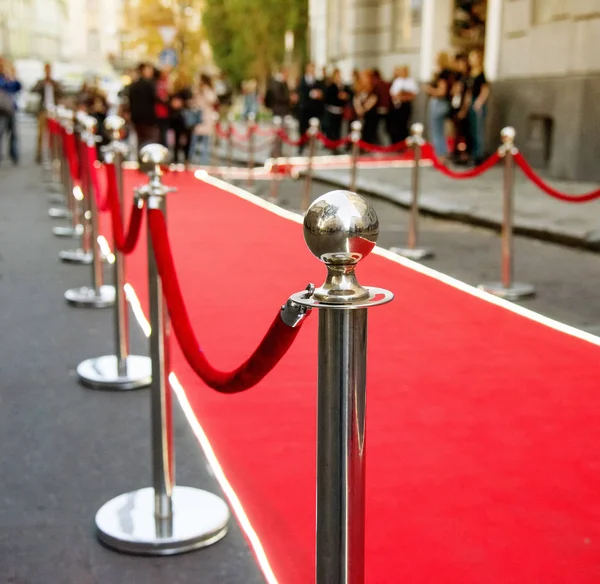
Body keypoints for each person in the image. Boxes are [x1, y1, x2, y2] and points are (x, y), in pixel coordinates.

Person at [424, 51, 453, 161]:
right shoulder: (451, 74)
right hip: (445, 103)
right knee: (440, 131)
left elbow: (441, 91)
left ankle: (441, 156)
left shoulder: (443, 74)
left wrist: (429, 89)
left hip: (439, 103)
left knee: (437, 131)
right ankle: (442, 154)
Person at [31, 63, 63, 164]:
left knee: (54, 133)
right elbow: (33, 90)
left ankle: (54, 153)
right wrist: (43, 83)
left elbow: (61, 93)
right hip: (43, 110)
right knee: (41, 133)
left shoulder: (54, 83)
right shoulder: (41, 82)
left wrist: (54, 85)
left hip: (53, 111)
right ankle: (39, 154)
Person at [464, 49, 490, 165]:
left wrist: (479, 102)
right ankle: (473, 153)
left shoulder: (481, 74)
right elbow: (469, 91)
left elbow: (485, 90)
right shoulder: (470, 74)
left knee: (478, 129)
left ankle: (479, 154)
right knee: (472, 129)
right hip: (471, 102)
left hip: (478, 103)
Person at [128, 62, 158, 156]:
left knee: (140, 141)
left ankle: (141, 159)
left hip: (137, 118)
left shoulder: (134, 85)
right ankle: (147, 160)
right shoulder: (150, 85)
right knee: (149, 141)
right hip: (147, 118)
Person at [296, 63, 325, 154]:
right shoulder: (302, 80)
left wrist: (319, 94)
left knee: (313, 128)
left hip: (314, 109)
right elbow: (300, 93)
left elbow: (322, 92)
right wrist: (310, 94)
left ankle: (312, 145)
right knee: (303, 128)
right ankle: (302, 145)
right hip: (305, 109)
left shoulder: (317, 81)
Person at [189, 73, 217, 166]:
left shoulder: (207, 90)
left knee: (204, 141)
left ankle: (203, 161)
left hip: (206, 117)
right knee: (195, 140)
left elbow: (212, 100)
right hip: (198, 117)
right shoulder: (197, 90)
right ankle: (192, 159)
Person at [0, 58, 22, 166]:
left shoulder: (9, 77)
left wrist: (12, 76)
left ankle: (14, 154)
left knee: (13, 133)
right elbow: (5, 86)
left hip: (10, 109)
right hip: (1, 110)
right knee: (1, 132)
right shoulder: (2, 79)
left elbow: (18, 86)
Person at [389, 65, 418, 145]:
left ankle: (404, 143)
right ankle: (397, 143)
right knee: (396, 125)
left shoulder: (411, 81)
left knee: (404, 125)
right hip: (398, 105)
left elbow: (413, 94)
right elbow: (394, 94)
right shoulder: (397, 81)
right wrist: (402, 95)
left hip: (406, 105)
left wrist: (404, 95)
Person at [449, 53, 470, 164]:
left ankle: (464, 155)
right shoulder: (457, 76)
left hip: (463, 107)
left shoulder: (467, 78)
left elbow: (467, 95)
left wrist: (464, 109)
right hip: (456, 105)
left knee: (463, 133)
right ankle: (456, 153)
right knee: (456, 132)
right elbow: (453, 91)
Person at [323, 68, 350, 153]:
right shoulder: (331, 87)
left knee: (338, 129)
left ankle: (337, 145)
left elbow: (348, 95)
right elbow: (328, 99)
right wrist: (338, 97)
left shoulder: (343, 86)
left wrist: (344, 97)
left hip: (340, 111)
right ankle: (332, 146)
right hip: (332, 111)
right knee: (332, 129)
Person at [169, 70, 194, 164]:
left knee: (180, 138)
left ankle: (179, 158)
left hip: (181, 117)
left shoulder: (181, 90)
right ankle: (184, 158)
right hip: (181, 118)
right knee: (183, 139)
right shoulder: (180, 90)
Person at [352, 69, 379, 147]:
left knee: (369, 132)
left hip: (370, 114)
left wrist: (364, 109)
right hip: (359, 114)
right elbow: (356, 98)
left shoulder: (373, 88)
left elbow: (374, 98)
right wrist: (358, 109)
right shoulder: (357, 87)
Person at [371, 69, 391, 144]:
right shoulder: (386, 84)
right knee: (384, 129)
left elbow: (376, 98)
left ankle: (382, 145)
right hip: (387, 109)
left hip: (379, 109)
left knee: (379, 129)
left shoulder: (377, 85)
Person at [154, 67, 171, 147]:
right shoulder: (158, 84)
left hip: (166, 112)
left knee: (164, 132)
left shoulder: (168, 83)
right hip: (159, 112)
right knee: (161, 133)